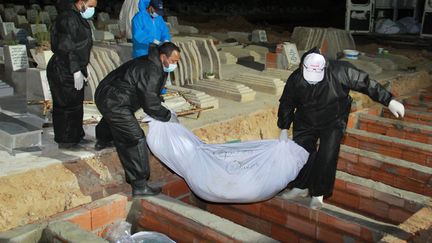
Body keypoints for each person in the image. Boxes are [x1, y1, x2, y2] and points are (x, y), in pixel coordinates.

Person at [277, 48, 405, 209]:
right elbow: (287, 103)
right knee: (301, 153)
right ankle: (301, 187)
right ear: (303, 67)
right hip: (305, 120)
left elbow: (366, 83)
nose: (313, 82)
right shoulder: (296, 78)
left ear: (324, 68)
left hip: (333, 119)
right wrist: (283, 127)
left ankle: (318, 194)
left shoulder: (341, 70)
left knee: (327, 155)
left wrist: (389, 101)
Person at [94, 42, 181, 197]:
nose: (175, 64)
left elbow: (147, 89)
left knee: (116, 121)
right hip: (114, 100)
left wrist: (156, 98)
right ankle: (140, 185)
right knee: (135, 138)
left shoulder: (155, 63)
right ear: (163, 57)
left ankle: (103, 139)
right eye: (173, 61)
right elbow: (149, 104)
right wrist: (167, 116)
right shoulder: (151, 69)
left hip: (112, 95)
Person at [47, 0, 97, 149]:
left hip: (73, 66)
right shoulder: (67, 17)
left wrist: (82, 68)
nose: (93, 9)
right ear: (81, 1)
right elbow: (66, 46)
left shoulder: (77, 16)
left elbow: (80, 45)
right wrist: (75, 69)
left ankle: (76, 136)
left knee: (75, 104)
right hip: (63, 67)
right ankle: (65, 140)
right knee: (65, 105)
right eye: (91, 5)